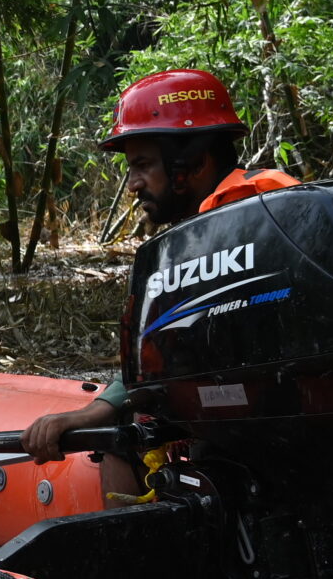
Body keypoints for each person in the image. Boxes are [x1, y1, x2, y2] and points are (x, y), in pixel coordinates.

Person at [20, 69, 299, 495]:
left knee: (126, 441)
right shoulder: (207, 229)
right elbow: (166, 354)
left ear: (195, 162)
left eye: (143, 165)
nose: (132, 183)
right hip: (260, 422)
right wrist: (100, 410)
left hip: (281, 430)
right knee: (127, 430)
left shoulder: (253, 214)